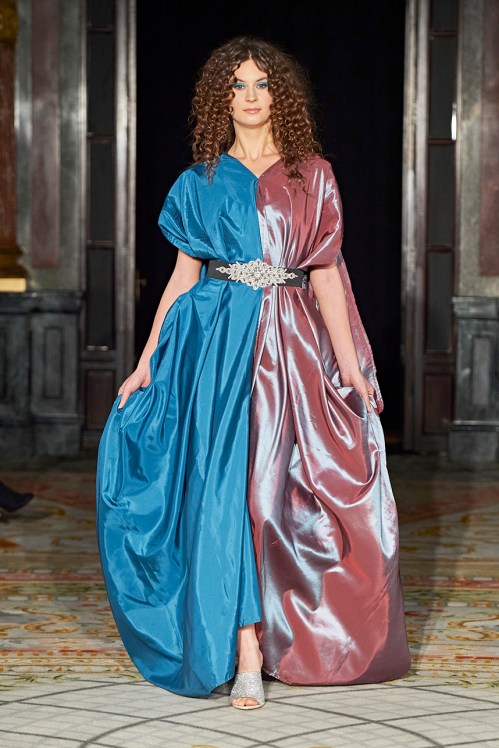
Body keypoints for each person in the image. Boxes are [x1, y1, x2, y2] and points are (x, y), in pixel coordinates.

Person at [96, 35, 411, 711]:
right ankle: (244, 653)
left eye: (262, 84)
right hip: (213, 347)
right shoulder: (198, 181)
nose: (249, 96)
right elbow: (182, 279)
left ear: (280, 96)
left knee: (275, 498)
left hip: (290, 348)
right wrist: (146, 362)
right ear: (220, 98)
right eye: (236, 85)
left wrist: (350, 369)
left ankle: (283, 639)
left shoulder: (312, 175)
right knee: (224, 497)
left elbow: (325, 277)